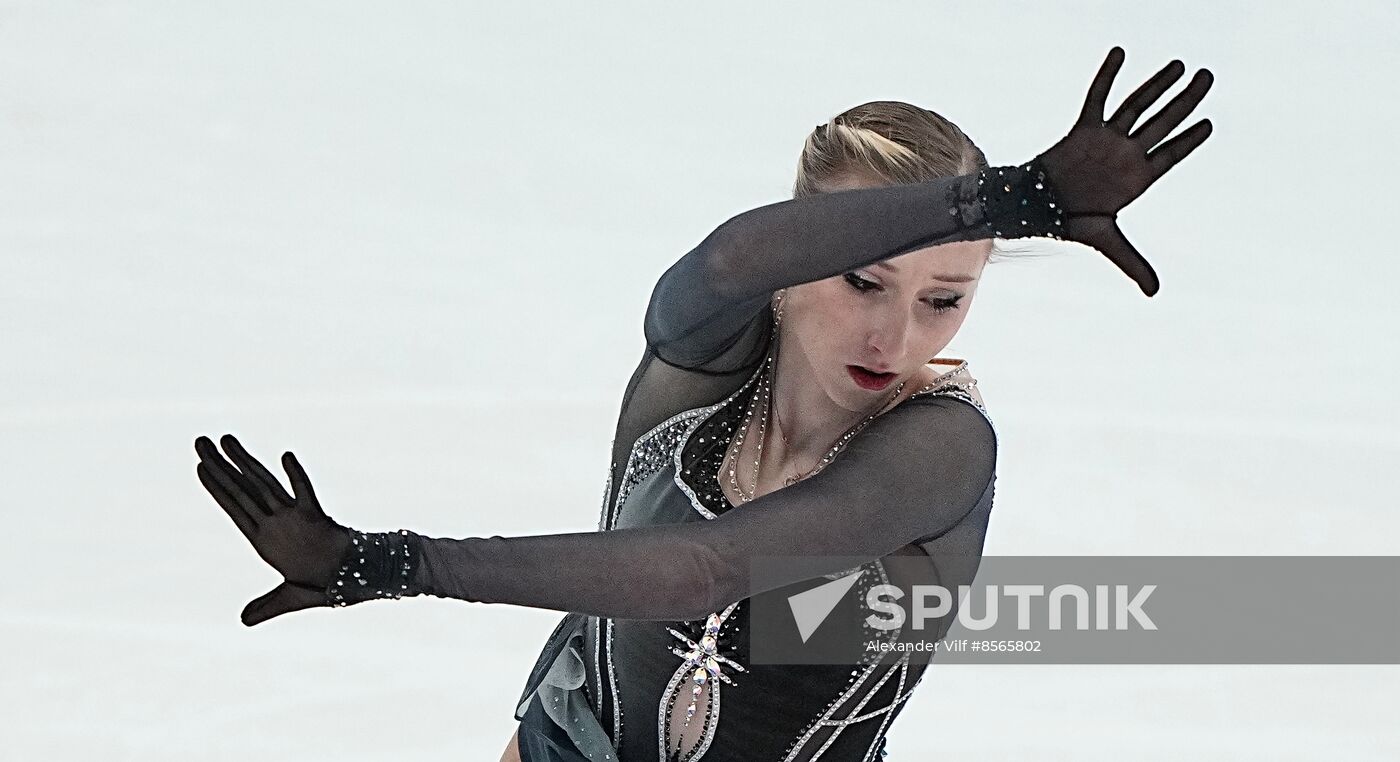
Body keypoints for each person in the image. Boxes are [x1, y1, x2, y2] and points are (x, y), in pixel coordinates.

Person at [193, 47, 1214, 761]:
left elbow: (703, 569)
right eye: (862, 279)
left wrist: (395, 562)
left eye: (943, 299)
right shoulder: (700, 369)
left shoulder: (939, 452)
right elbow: (730, 259)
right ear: (801, 253)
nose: (895, 338)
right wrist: (1004, 196)